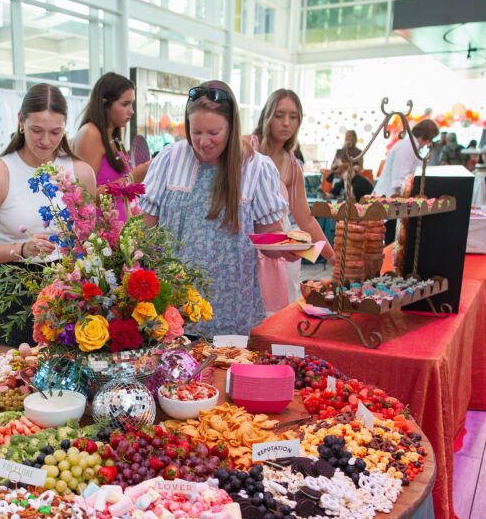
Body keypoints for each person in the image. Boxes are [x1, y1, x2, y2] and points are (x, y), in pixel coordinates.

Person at [141, 81, 294, 335]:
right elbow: (145, 231)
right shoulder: (169, 159)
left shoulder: (256, 167)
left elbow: (270, 236)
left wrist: (289, 248)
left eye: (214, 132)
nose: (203, 142)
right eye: (196, 132)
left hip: (234, 312)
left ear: (232, 127)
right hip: (173, 312)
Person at [0, 83, 96, 346]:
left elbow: (90, 238)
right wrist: (23, 249)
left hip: (69, 290)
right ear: (21, 122)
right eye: (37, 130)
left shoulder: (81, 172)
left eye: (55, 132)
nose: (46, 141)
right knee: (11, 384)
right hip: (15, 290)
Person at [250, 89, 335, 307]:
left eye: (293, 117)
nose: (286, 123)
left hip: (282, 250)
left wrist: (333, 258)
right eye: (279, 115)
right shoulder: (248, 148)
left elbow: (305, 219)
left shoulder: (293, 164)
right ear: (267, 116)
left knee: (277, 317)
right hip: (247, 249)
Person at [73, 72, 150, 223]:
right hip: (99, 235)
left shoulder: (113, 136)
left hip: (119, 232)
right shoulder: (90, 134)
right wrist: (133, 177)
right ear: (104, 103)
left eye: (132, 104)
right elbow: (84, 198)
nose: (131, 111)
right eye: (125, 104)